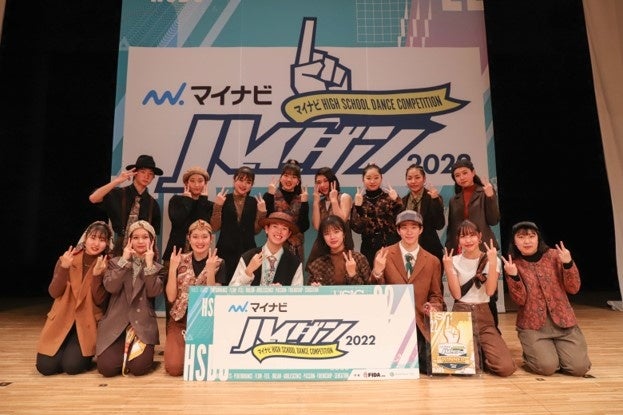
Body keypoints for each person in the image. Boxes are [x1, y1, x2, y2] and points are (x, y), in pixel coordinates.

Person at [502, 221, 591, 377]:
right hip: (533, 326)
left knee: (579, 368)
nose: (527, 241)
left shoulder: (555, 256)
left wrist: (568, 264)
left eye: (531, 236)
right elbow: (519, 300)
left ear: (538, 238)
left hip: (564, 323)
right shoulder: (514, 265)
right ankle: (538, 355)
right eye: (521, 237)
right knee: (546, 368)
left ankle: (559, 355)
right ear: (514, 242)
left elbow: (574, 288)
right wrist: (514, 276)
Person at [369, 210, 444, 374]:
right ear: (398, 230)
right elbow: (374, 294)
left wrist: (433, 308)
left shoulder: (432, 261)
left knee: (434, 367)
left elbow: (436, 296)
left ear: (421, 230)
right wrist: (377, 272)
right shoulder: (384, 255)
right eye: (404, 227)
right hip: (391, 322)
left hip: (419, 322)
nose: (409, 232)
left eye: (414, 227)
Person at [35, 221, 114, 376]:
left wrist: (97, 276)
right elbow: (54, 292)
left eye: (102, 240)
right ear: (85, 238)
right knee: (45, 367)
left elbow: (100, 301)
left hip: (87, 323)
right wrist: (64, 268)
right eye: (93, 238)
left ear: (107, 244)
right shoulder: (69, 258)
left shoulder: (107, 264)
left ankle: (77, 355)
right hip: (62, 319)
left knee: (72, 367)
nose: (96, 243)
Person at [442, 219, 516, 377]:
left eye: (472, 235)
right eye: (463, 236)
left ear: (479, 236)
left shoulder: (492, 259)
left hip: (484, 316)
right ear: (458, 240)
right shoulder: (453, 261)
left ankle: (481, 353)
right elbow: (456, 295)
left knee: (506, 368)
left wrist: (492, 263)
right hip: (461, 315)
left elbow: (490, 291)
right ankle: (475, 355)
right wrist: (448, 268)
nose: (468, 240)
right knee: (465, 370)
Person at [95, 220, 165, 377]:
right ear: (129, 241)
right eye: (136, 237)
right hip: (116, 322)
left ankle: (133, 354)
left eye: (145, 237)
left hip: (142, 324)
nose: (140, 241)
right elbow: (111, 287)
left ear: (152, 241)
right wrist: (125, 261)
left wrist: (148, 265)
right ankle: (122, 353)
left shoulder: (157, 268)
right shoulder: (115, 263)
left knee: (139, 368)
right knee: (107, 369)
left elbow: (153, 292)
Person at [164, 219, 226, 376]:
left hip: (205, 321)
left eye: (204, 237)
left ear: (211, 239)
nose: (200, 241)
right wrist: (172, 269)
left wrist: (210, 271)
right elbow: (171, 297)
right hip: (180, 320)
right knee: (174, 368)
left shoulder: (219, 263)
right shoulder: (178, 260)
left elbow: (213, 299)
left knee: (205, 365)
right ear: (189, 238)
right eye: (196, 237)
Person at [445, 159, 501, 329]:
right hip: (461, 251)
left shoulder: (484, 192)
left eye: (465, 173)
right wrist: (449, 251)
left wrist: (490, 196)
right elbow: (452, 228)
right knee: (461, 293)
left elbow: (494, 219)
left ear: (473, 172)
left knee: (488, 294)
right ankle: (463, 332)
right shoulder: (454, 200)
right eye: (457, 175)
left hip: (483, 249)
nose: (461, 177)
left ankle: (492, 330)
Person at [89, 154, 163, 256]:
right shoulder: (119, 194)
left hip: (143, 249)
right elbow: (93, 198)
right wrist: (117, 181)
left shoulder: (153, 204)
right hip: (120, 247)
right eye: (143, 172)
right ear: (135, 173)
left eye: (150, 174)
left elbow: (154, 234)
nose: (147, 176)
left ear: (153, 177)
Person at [210, 166, 267, 285]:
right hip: (225, 251)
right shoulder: (224, 199)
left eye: (248, 182)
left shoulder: (254, 202)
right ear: (234, 180)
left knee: (246, 286)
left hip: (247, 251)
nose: (244, 184)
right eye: (241, 180)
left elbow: (255, 231)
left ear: (252, 185)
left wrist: (262, 213)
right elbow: (214, 227)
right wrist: (218, 206)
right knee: (224, 286)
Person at [229, 212, 304, 286]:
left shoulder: (294, 263)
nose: (279, 231)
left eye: (284, 228)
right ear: (266, 229)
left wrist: (282, 292)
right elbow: (232, 290)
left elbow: (298, 293)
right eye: (275, 226)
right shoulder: (247, 257)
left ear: (288, 234)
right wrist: (248, 272)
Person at [350, 163, 403, 267]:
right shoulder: (359, 201)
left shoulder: (390, 197)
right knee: (372, 275)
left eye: (376, 178)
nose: (372, 181)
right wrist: (358, 207)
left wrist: (396, 201)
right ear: (363, 180)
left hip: (391, 244)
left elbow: (401, 221)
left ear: (381, 178)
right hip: (369, 247)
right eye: (368, 178)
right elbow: (357, 229)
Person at [306, 167, 354, 273]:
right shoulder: (321, 202)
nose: (322, 185)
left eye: (325, 181)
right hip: (323, 246)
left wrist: (334, 200)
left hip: (343, 245)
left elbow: (341, 221)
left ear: (332, 180)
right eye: (318, 182)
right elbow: (317, 226)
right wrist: (316, 202)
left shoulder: (344, 197)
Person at [263, 159, 310, 263]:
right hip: (274, 246)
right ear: (280, 178)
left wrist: (305, 203)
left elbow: (304, 226)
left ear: (298, 181)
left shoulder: (302, 198)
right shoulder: (271, 195)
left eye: (294, 177)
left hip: (296, 249)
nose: (289, 179)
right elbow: (266, 221)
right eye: (286, 175)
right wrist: (269, 195)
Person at [307, 215, 369, 285]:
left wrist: (353, 275)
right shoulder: (317, 264)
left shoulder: (359, 259)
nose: (332, 237)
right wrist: (316, 289)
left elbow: (370, 289)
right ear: (323, 238)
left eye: (336, 232)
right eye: (327, 234)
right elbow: (309, 290)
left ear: (344, 234)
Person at [402, 164, 445, 262]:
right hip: (408, 252)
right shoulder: (403, 201)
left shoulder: (433, 198)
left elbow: (439, 225)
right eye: (409, 178)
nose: (413, 181)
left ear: (424, 179)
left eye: (417, 177)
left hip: (430, 251)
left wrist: (435, 201)